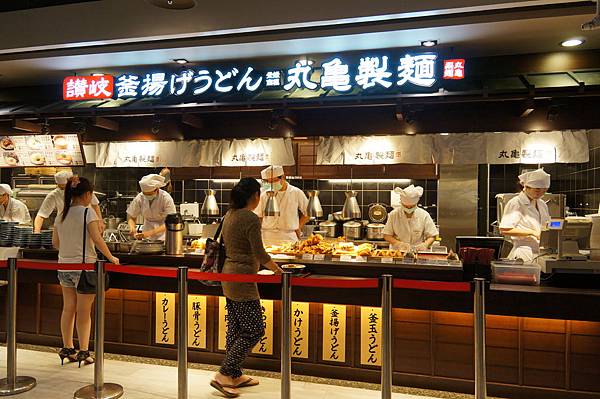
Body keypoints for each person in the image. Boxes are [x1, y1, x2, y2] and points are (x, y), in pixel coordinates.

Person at [211, 177, 282, 398]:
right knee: (254, 329)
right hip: (242, 280)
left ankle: (234, 374)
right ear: (254, 196)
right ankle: (224, 374)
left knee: (235, 328)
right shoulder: (250, 218)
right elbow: (260, 254)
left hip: (228, 275)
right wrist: (278, 270)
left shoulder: (229, 214)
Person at [52, 176, 119, 367]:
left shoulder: (61, 214)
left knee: (68, 308)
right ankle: (83, 351)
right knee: (83, 312)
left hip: (64, 266)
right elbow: (97, 239)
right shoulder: (87, 213)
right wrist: (111, 258)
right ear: (87, 194)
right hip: (84, 268)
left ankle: (67, 348)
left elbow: (55, 243)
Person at [500, 168, 551, 262]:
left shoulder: (542, 204)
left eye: (544, 191)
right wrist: (532, 233)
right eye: (537, 190)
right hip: (523, 252)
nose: (540, 193)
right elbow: (505, 229)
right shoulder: (516, 203)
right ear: (526, 187)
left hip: (541, 253)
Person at [34, 171, 104, 233]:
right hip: (67, 228)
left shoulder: (84, 191)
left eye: (66, 187)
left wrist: (100, 222)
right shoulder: (54, 195)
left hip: (87, 226)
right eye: (61, 188)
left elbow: (95, 205)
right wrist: (36, 233)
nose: (65, 191)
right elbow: (41, 215)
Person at [254, 165, 309, 245]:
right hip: (267, 237)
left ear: (283, 177)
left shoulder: (296, 192)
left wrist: (299, 226)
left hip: (289, 236)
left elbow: (308, 212)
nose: (271, 184)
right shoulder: (263, 193)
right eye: (268, 182)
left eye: (273, 181)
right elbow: (258, 216)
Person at [383, 184, 438, 251]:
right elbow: (387, 235)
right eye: (406, 206)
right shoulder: (393, 215)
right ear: (401, 203)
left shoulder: (424, 215)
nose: (409, 208)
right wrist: (398, 244)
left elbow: (432, 235)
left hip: (417, 251)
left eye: (412, 206)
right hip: (398, 252)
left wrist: (425, 244)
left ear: (416, 204)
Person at [126, 174, 176, 240]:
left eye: (149, 194)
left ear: (157, 189)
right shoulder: (140, 198)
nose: (147, 196)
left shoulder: (165, 198)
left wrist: (150, 233)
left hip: (164, 234)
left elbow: (171, 221)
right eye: (145, 193)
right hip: (147, 231)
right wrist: (132, 227)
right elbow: (131, 216)